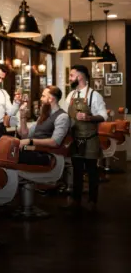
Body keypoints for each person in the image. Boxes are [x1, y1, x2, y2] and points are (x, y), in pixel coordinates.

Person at [63, 65, 107, 213]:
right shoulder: (71, 95)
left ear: (80, 77)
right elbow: (66, 115)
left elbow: (103, 116)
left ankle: (92, 201)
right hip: (76, 138)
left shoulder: (95, 95)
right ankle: (76, 201)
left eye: (71, 75)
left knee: (92, 171)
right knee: (76, 171)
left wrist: (89, 117)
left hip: (90, 138)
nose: (69, 78)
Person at [18, 86, 70, 165]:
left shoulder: (62, 116)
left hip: (45, 153)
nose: (41, 99)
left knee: (13, 153)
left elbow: (54, 142)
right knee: (10, 147)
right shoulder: (44, 115)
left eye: (43, 96)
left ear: (51, 99)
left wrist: (30, 141)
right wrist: (23, 117)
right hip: (34, 148)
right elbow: (25, 135)